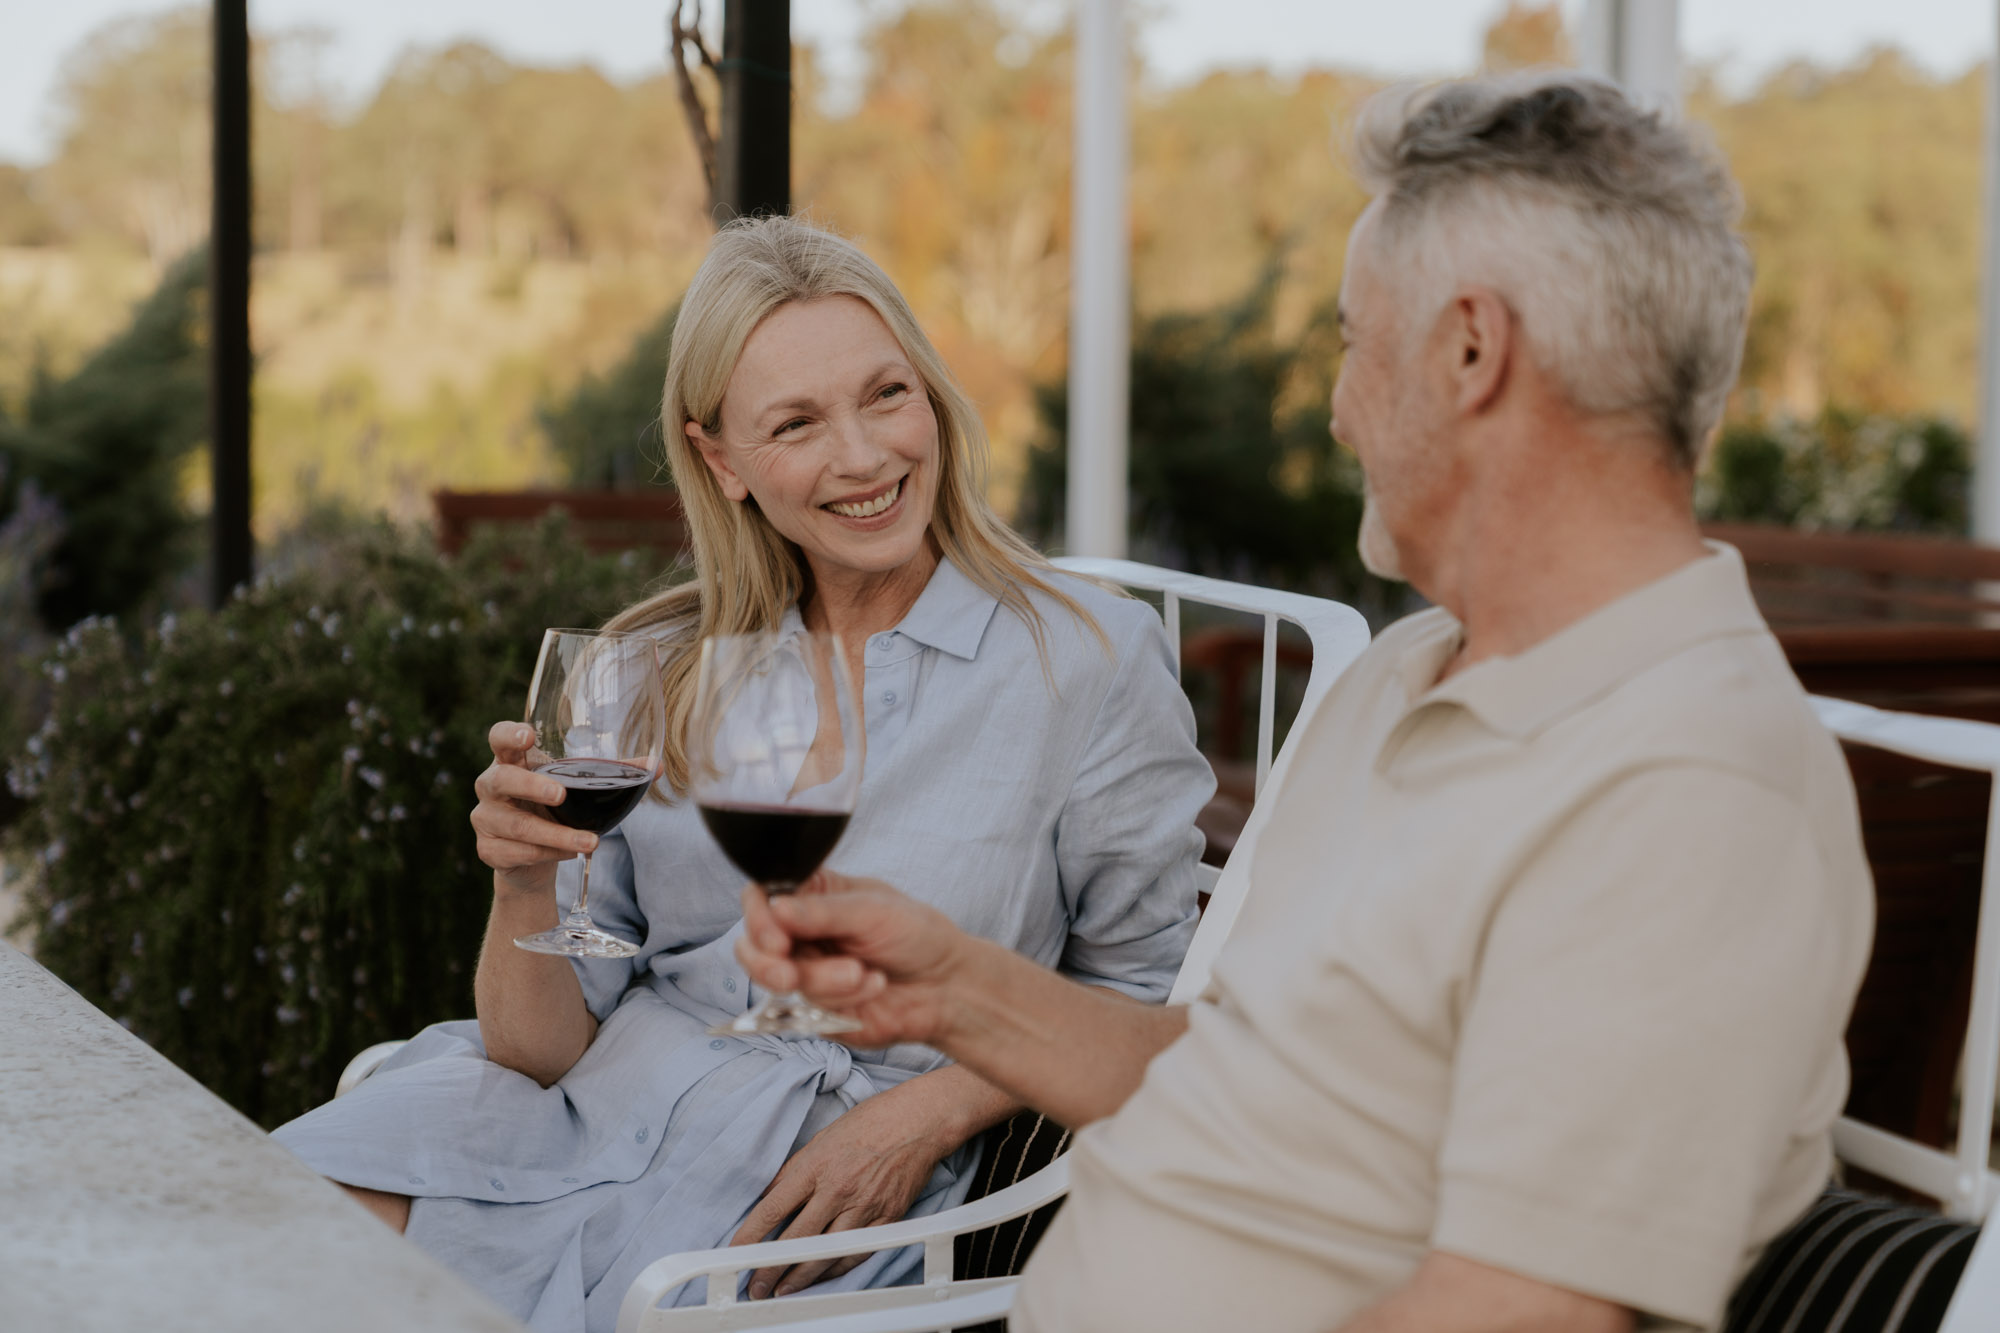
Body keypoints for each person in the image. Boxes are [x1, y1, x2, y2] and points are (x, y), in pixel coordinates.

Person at [736, 73, 1876, 1333]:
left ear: (1466, 352)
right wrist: (953, 989)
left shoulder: (1688, 785)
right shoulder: (1399, 676)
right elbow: (1234, 1069)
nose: (1337, 411)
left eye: (1351, 342)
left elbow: (1514, 1311)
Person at [271, 216, 1213, 1332]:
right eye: (796, 423)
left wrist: (929, 1112)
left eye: (886, 395)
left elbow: (1145, 996)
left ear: (932, 399)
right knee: (250, 1237)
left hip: (815, 1188)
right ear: (721, 460)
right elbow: (537, 1050)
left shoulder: (1084, 659)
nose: (863, 457)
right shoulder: (662, 664)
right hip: (584, 1105)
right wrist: (520, 881)